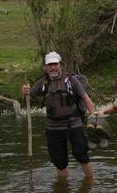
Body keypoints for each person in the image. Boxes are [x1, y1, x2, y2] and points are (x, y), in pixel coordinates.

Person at [21, 51, 95, 179]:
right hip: (53, 127)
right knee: (59, 161)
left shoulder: (72, 80)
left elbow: (86, 98)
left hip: (74, 124)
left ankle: (90, 182)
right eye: (49, 65)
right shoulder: (42, 82)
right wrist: (25, 93)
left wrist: (95, 118)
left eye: (55, 64)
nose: (52, 68)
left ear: (61, 65)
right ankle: (63, 190)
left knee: (82, 155)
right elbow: (27, 101)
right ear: (45, 67)